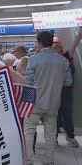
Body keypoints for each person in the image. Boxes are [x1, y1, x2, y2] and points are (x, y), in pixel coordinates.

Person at [24, 31, 73, 165]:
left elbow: (28, 81)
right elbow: (68, 82)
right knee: (50, 134)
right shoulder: (63, 61)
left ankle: (29, 160)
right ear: (52, 43)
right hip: (53, 103)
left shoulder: (33, 59)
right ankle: (48, 160)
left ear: (39, 43)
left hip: (35, 102)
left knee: (28, 131)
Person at [52, 27, 82, 147]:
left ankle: (69, 136)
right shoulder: (52, 58)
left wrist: (80, 33)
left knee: (64, 113)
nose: (55, 48)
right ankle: (56, 137)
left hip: (63, 91)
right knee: (56, 115)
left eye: (56, 46)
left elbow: (74, 45)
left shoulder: (66, 56)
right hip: (58, 91)